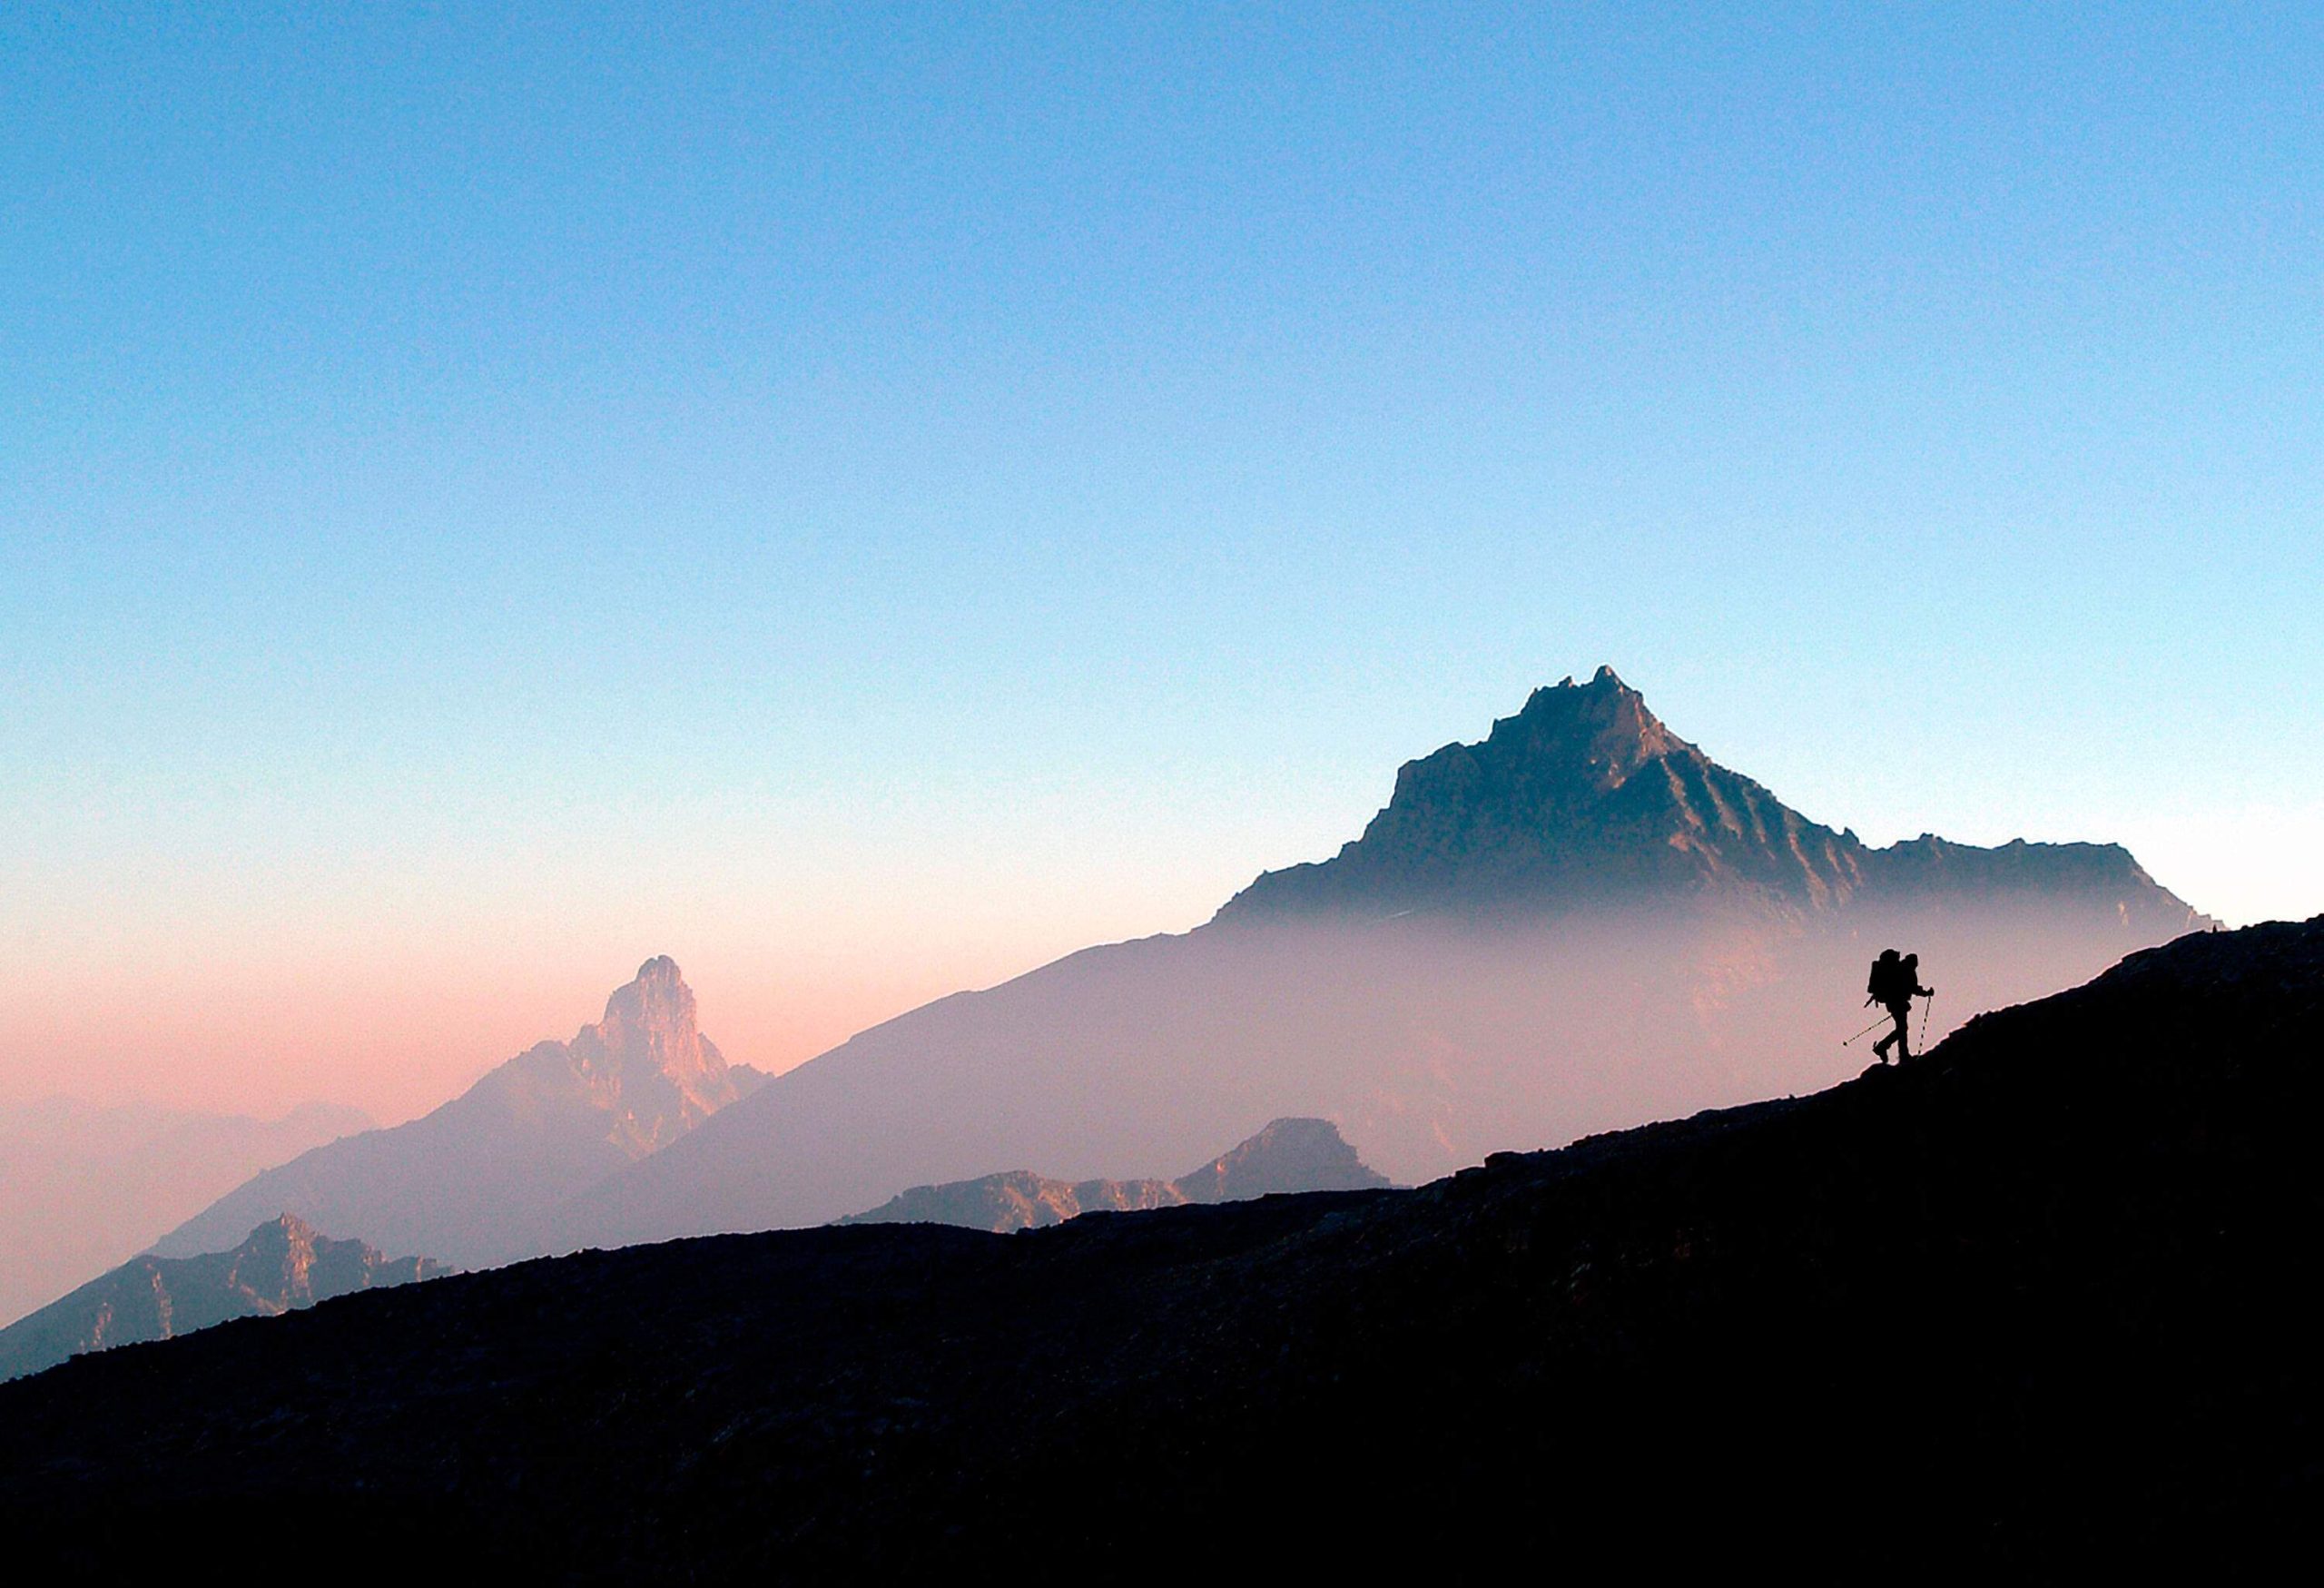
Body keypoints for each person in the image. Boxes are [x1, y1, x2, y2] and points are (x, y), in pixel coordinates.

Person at [1866, 949, 1935, 1065]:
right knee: (1902, 1028)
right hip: (1897, 1002)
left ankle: (1894, 1051)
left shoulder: (1901, 968)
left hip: (1893, 1002)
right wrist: (1926, 993)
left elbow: (1911, 988)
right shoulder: (1905, 970)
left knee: (1902, 1028)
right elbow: (1913, 988)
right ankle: (1893, 1051)